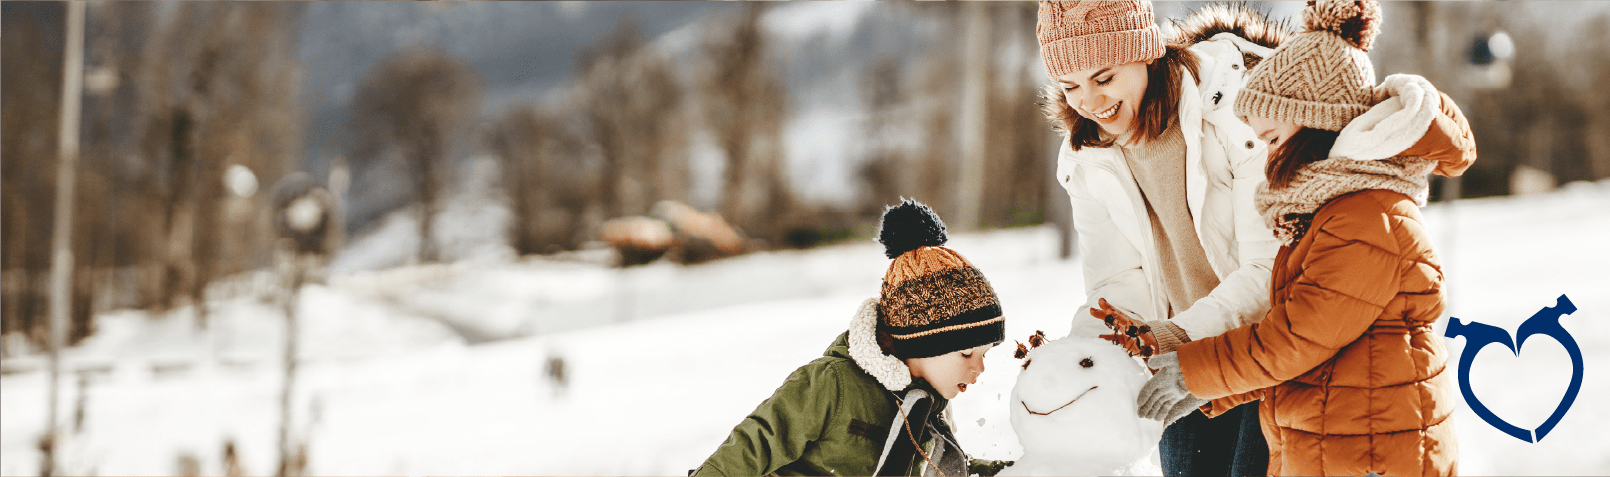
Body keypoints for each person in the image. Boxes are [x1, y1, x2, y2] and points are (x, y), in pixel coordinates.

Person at [1136, 0, 1475, 475]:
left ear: (1317, 120)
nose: (1269, 160)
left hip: (1371, 452)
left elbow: (1299, 336)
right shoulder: (1337, 211)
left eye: (1273, 139)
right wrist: (1205, 389)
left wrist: (1196, 370)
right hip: (1344, 443)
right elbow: (1305, 352)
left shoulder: (1367, 217)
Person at [1035, 1, 1288, 474]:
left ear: (1145, 51)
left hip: (1269, 348)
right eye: (1070, 86)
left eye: (1104, 78)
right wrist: (1086, 355)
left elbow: (1268, 270)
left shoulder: (1240, 110)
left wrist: (1177, 336)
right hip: (1178, 355)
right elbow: (1118, 279)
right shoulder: (1085, 156)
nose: (1089, 102)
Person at [693, 200, 1012, 477]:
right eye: (967, 353)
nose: (980, 368)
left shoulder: (928, 409)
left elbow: (943, 470)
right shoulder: (833, 384)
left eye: (986, 353)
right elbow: (755, 444)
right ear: (921, 344)